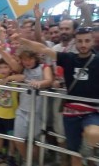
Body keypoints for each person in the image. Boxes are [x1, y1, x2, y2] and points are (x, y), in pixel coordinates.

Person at [11, 27, 99, 166]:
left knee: (94, 133)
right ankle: (82, 152)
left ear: (92, 41)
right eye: (80, 41)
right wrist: (22, 40)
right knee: (74, 153)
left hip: (92, 110)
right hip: (70, 111)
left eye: (87, 41)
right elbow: (43, 49)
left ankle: (87, 149)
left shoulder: (97, 60)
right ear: (75, 42)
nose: (83, 45)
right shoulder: (69, 58)